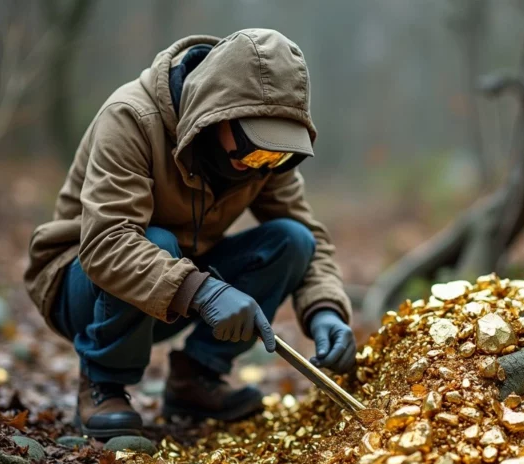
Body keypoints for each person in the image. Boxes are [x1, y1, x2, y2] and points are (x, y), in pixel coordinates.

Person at [24, 29, 356, 438]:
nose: (261, 162)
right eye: (256, 145)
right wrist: (203, 291)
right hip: (80, 286)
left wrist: (325, 309)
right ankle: (102, 382)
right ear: (215, 111)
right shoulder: (131, 117)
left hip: (176, 290)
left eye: (277, 152)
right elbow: (107, 243)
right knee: (156, 239)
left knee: (292, 240)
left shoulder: (264, 161)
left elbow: (308, 235)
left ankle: (195, 380)